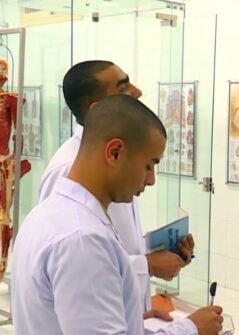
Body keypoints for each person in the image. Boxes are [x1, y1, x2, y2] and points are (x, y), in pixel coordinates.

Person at [9, 95, 224, 335]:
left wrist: (130, 319)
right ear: (114, 153)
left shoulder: (54, 214)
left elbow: (68, 322)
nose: (151, 179)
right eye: (149, 164)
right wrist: (190, 332)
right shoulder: (81, 237)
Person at [39, 60, 191, 287]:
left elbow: (114, 244)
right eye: (123, 88)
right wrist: (146, 264)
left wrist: (161, 253)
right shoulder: (67, 168)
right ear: (97, 108)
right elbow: (70, 257)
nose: (137, 92)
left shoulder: (121, 163)